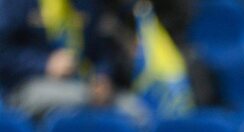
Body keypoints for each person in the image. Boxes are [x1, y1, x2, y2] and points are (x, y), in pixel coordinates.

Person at [0, 0, 145, 120]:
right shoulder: (16, 4)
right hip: (29, 86)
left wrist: (103, 76)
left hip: (84, 84)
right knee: (81, 96)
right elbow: (4, 53)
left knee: (136, 111)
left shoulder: (86, 4)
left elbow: (101, 53)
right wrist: (44, 64)